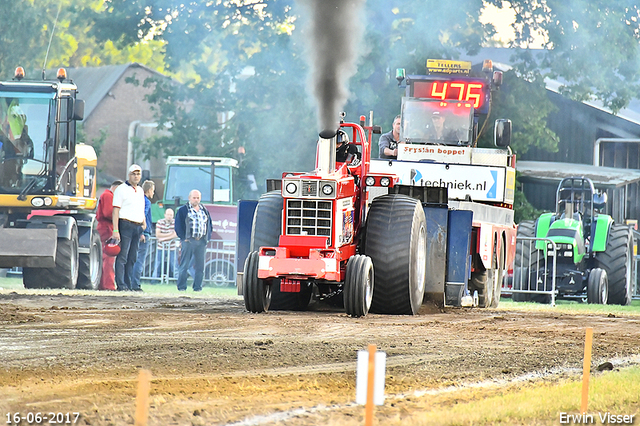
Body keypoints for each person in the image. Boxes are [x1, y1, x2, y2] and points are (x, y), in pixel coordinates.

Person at [111, 164, 146, 291]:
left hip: (137, 225)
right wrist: (115, 230)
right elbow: (115, 210)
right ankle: (121, 284)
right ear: (129, 175)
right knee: (123, 256)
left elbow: (140, 208)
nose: (136, 176)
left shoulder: (140, 190)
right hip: (125, 224)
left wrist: (144, 222)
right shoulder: (121, 189)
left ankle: (129, 283)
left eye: (138, 174)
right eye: (134, 174)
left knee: (133, 257)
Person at [175, 189, 212, 292]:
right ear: (189, 198)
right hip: (189, 241)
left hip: (201, 242)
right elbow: (178, 225)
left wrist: (207, 238)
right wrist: (183, 238)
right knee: (184, 265)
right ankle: (182, 287)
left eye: (198, 198)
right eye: (194, 198)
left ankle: (197, 287)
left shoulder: (204, 210)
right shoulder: (183, 210)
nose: (196, 200)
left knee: (200, 267)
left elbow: (209, 225)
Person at [96, 180, 123, 291]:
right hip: (107, 229)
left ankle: (104, 284)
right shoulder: (108, 196)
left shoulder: (106, 195)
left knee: (106, 258)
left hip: (106, 228)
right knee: (108, 258)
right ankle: (108, 285)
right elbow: (108, 213)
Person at [131, 180, 155, 291]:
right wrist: (141, 232)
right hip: (144, 233)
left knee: (134, 259)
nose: (153, 193)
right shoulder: (146, 202)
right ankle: (135, 284)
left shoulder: (137, 199)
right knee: (139, 260)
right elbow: (142, 216)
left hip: (137, 232)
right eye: (153, 191)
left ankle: (130, 282)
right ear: (149, 190)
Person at [153, 208, 179, 283]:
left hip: (172, 248)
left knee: (174, 266)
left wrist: (163, 238)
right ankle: (154, 281)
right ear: (165, 215)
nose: (169, 216)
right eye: (168, 215)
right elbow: (158, 235)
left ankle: (177, 281)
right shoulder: (160, 222)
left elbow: (176, 235)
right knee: (157, 264)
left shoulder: (176, 223)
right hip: (160, 247)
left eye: (171, 215)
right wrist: (170, 236)